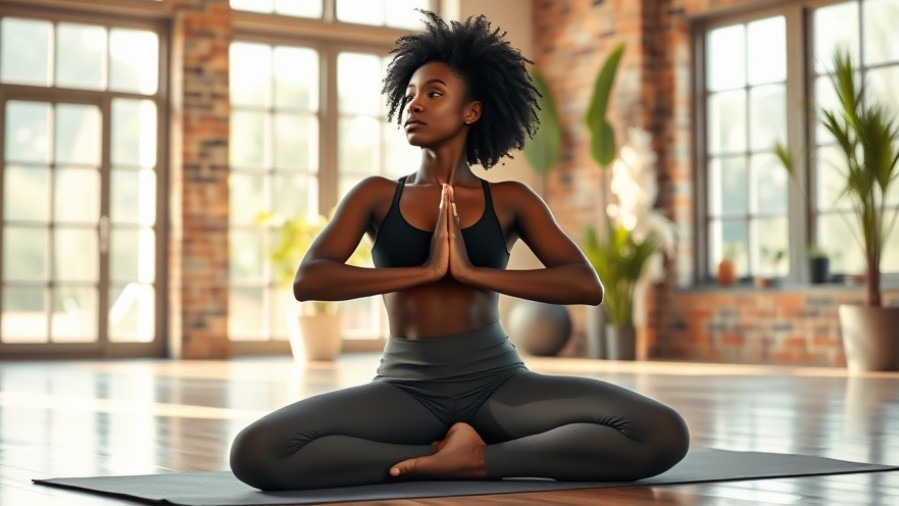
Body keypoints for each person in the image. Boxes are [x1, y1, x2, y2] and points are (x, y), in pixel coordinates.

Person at [229, 10, 689, 491]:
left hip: (499, 384)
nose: (415, 104)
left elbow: (585, 286)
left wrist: (473, 273)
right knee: (257, 452)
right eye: (410, 95)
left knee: (660, 432)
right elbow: (311, 281)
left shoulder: (511, 199)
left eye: (433, 93)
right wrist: (425, 271)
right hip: (406, 389)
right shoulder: (376, 195)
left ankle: (479, 459)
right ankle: (441, 457)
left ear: (471, 111)